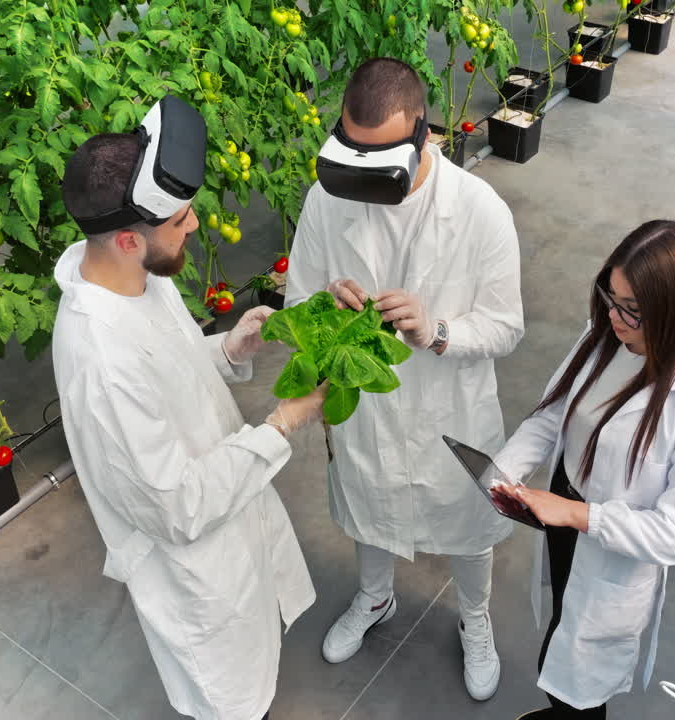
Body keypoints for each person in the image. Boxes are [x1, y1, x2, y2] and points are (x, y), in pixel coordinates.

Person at [51, 107, 326, 720]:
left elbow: (169, 371)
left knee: (252, 656)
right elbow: (177, 507)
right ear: (128, 237)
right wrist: (283, 424)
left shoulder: (140, 276)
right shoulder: (102, 365)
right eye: (180, 218)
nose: (196, 224)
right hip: (193, 560)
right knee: (228, 696)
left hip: (230, 510)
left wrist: (230, 347)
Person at [284, 57, 524, 701]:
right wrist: (323, 313)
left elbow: (506, 327)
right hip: (367, 407)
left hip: (452, 408)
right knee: (369, 504)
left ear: (421, 131)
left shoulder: (480, 211)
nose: (360, 173)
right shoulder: (325, 200)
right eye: (351, 152)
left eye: (378, 157)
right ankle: (375, 598)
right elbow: (296, 304)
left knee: (470, 519)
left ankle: (474, 618)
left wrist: (438, 331)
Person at [492, 220, 675, 719]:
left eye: (631, 310)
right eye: (611, 296)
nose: (614, 316)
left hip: (609, 540)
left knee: (585, 673)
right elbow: (552, 412)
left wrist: (581, 516)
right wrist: (502, 473)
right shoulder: (603, 336)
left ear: (672, 311)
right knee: (563, 624)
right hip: (564, 512)